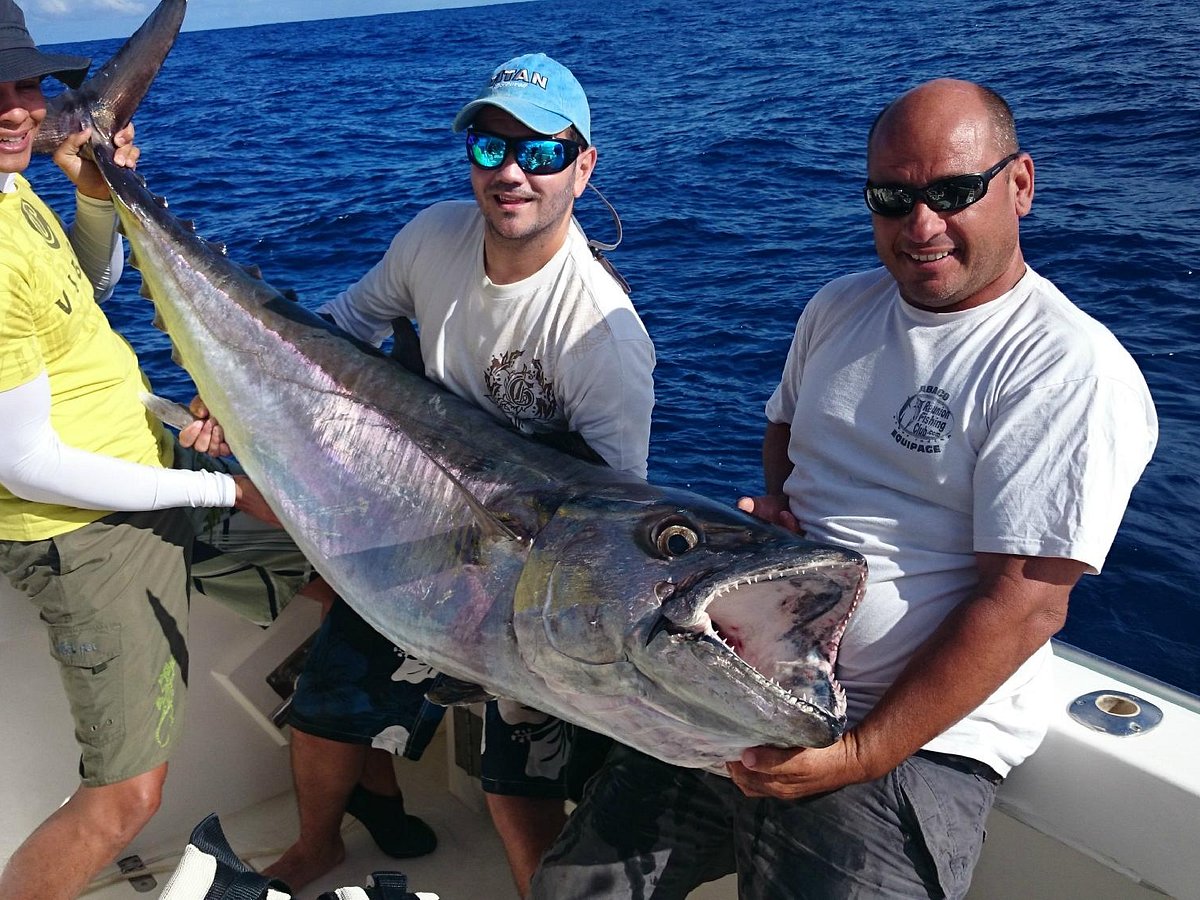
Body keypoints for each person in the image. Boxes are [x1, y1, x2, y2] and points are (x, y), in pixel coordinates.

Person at [530, 78, 1158, 899]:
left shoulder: (1064, 365)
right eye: (892, 198)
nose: (922, 224)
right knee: (571, 887)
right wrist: (781, 516)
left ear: (1021, 185)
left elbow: (1025, 605)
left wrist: (860, 754)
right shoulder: (839, 307)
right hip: (748, 687)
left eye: (954, 192)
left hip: (909, 742)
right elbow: (787, 431)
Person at [262, 52, 655, 896]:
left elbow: (613, 514)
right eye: (490, 147)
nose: (512, 173)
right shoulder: (431, 237)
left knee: (518, 776)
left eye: (542, 153)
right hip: (410, 524)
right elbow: (344, 326)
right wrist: (250, 397)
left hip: (522, 576)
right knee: (330, 698)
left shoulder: (603, 337)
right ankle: (318, 842)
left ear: (583, 169)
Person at [0, 3, 332, 897]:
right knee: (123, 800)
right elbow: (22, 463)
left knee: (349, 575)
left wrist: (95, 194)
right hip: (85, 529)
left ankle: (352, 795)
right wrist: (224, 494)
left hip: (152, 464)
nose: (16, 108)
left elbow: (84, 292)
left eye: (25, 83)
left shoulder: (11, 190)